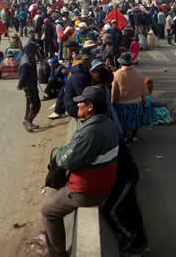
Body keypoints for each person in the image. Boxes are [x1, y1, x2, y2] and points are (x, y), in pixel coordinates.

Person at [39, 86, 120, 257]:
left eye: (81, 103)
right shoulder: (108, 124)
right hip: (105, 185)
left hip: (86, 192)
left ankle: (56, 253)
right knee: (55, 194)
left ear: (90, 107)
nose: (77, 106)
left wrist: (61, 152)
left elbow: (66, 160)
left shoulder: (90, 132)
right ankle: (50, 239)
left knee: (48, 211)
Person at [112, 52, 147, 142]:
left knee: (123, 121)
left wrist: (113, 101)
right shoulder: (138, 73)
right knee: (135, 119)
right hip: (137, 102)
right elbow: (143, 89)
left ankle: (124, 136)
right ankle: (134, 135)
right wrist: (143, 99)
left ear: (120, 63)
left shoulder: (117, 74)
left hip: (122, 103)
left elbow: (114, 91)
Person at [18, 42, 41, 132]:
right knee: (36, 105)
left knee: (29, 104)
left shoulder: (28, 57)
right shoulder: (26, 61)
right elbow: (23, 75)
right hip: (29, 87)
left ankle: (26, 120)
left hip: (31, 85)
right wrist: (20, 84)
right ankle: (29, 121)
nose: (36, 52)